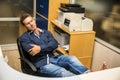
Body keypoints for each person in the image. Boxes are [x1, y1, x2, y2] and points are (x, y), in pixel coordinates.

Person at [19, 13, 89, 77]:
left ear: (34, 20)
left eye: (31, 21)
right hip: (42, 63)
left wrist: (40, 48)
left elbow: (55, 44)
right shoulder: (24, 38)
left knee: (72, 59)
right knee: (62, 72)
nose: (31, 24)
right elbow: (33, 51)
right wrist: (48, 46)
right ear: (25, 26)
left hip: (54, 58)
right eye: (28, 23)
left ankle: (89, 75)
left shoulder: (46, 32)